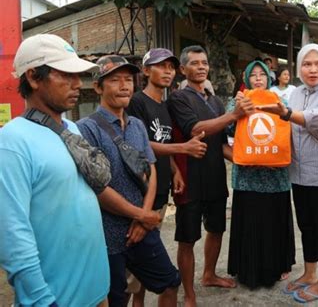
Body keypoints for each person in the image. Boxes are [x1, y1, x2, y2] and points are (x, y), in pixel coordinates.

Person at [0, 34, 110, 306]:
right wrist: (40, 300)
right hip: (56, 299)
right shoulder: (12, 142)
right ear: (34, 77)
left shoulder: (71, 129)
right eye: (66, 75)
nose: (77, 84)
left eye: (79, 75)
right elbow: (12, 236)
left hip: (97, 291)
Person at [77, 55, 181, 306]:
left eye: (128, 79)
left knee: (170, 283)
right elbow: (96, 186)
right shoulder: (86, 129)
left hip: (141, 229)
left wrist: (143, 217)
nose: (124, 85)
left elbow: (151, 168)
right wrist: (141, 215)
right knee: (116, 298)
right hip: (108, 236)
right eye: (114, 80)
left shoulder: (136, 125)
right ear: (98, 87)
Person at [258, 44, 318, 303]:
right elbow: (281, 126)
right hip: (298, 173)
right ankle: (310, 274)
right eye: (307, 64)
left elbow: (314, 118)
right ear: (299, 67)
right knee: (306, 225)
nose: (313, 69)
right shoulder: (295, 93)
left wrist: (285, 113)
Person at [167, 45, 253, 307]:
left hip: (215, 176)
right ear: (183, 69)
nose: (202, 67)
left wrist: (251, 158)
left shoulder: (214, 101)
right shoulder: (178, 98)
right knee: (188, 238)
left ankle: (209, 274)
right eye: (195, 63)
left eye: (204, 62)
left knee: (216, 229)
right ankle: (189, 294)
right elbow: (196, 129)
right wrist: (234, 114)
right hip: (190, 178)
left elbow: (221, 144)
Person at [125, 48, 208, 306]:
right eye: (161, 66)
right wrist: (183, 149)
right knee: (133, 263)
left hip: (160, 190)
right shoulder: (138, 102)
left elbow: (164, 141)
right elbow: (140, 144)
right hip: (140, 192)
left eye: (171, 67)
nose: (168, 72)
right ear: (147, 71)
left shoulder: (164, 104)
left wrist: (174, 169)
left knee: (144, 257)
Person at [227, 60, 295, 289]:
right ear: (246, 79)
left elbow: (290, 130)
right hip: (247, 178)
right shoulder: (236, 102)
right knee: (250, 223)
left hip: (276, 177)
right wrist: (236, 113)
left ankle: (278, 265)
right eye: (253, 75)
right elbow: (226, 130)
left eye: (262, 75)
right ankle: (247, 270)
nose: (257, 78)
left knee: (274, 222)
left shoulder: (280, 101)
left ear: (269, 79)